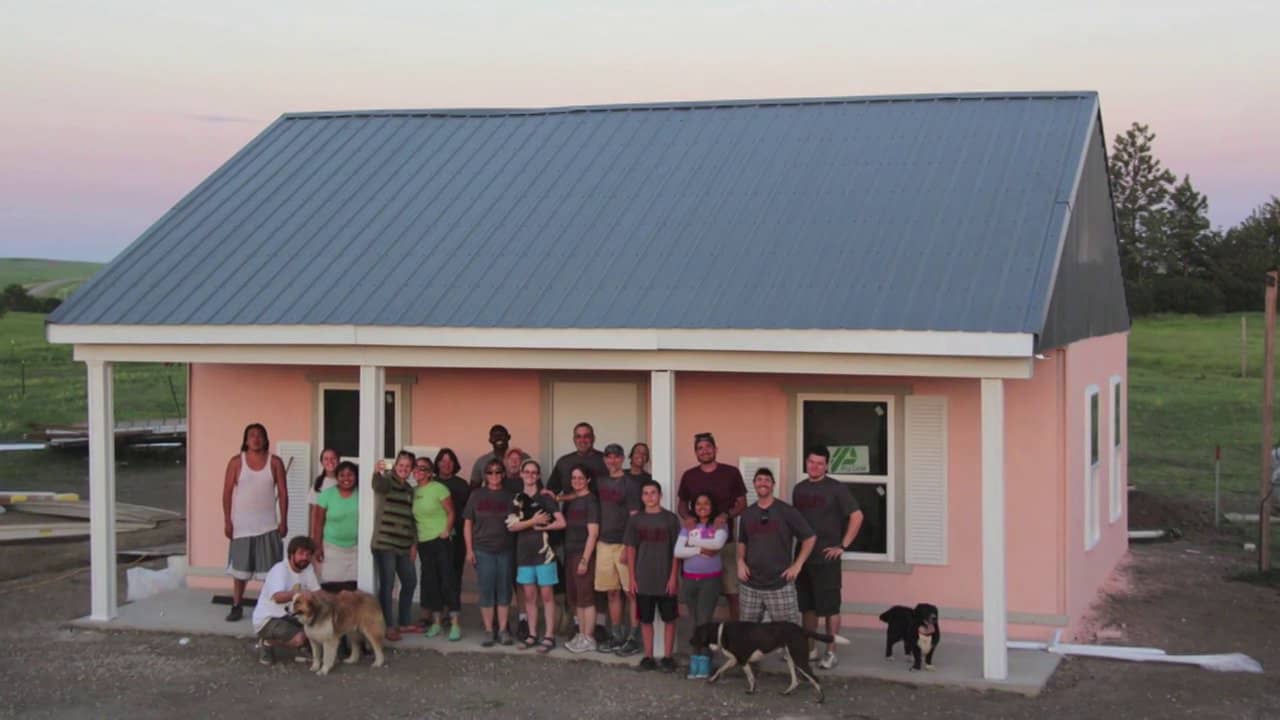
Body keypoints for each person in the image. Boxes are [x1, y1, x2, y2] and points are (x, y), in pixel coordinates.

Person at [792, 445, 863, 669]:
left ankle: (831, 652)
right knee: (807, 607)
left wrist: (843, 545)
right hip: (803, 558)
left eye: (820, 463)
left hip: (827, 559)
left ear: (827, 465)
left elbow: (857, 516)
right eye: (811, 462)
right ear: (806, 462)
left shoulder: (836, 488)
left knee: (830, 608)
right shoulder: (799, 489)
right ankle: (810, 649)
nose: (815, 466)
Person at [222, 422, 289, 622]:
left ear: (265, 439)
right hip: (242, 527)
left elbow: (283, 494)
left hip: (268, 527)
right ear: (245, 440)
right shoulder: (236, 462)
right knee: (240, 571)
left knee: (270, 573)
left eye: (260, 435)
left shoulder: (275, 462)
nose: (256, 439)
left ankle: (270, 607)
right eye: (252, 435)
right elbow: (226, 493)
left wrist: (284, 521)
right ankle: (237, 605)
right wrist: (227, 521)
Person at [676, 432, 747, 620]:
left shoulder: (731, 473)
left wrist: (726, 515)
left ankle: (734, 632)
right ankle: (702, 632)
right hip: (696, 543)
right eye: (700, 448)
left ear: (716, 449)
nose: (704, 451)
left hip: (726, 542)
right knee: (700, 593)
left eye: (708, 447)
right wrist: (687, 517)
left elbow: (742, 503)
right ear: (695, 452)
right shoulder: (689, 476)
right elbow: (682, 505)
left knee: (732, 593)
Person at [737, 468, 816, 626]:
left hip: (780, 584)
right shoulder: (747, 514)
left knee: (788, 632)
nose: (763, 483)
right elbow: (742, 541)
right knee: (747, 633)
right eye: (759, 479)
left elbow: (810, 537)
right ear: (754, 484)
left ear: (773, 484)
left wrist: (797, 565)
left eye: (767, 480)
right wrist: (740, 561)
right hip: (750, 585)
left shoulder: (787, 511)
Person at [624, 479, 682, 672]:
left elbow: (676, 551)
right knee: (645, 620)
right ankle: (648, 656)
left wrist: (673, 577)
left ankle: (668, 657)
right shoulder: (635, 520)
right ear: (641, 497)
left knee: (669, 620)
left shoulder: (670, 519)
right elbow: (631, 549)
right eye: (646, 493)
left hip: (665, 578)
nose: (649, 496)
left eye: (653, 492)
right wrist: (632, 578)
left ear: (660, 495)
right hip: (643, 578)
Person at [510, 459, 565, 654]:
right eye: (527, 472)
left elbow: (562, 522)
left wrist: (544, 527)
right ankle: (532, 634)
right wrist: (533, 521)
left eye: (534, 472)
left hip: (544, 554)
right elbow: (511, 526)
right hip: (524, 554)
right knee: (529, 596)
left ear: (538, 476)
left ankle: (549, 636)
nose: (530, 475)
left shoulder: (545, 498)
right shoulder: (517, 499)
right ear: (521, 474)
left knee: (547, 595)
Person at [593, 443, 642, 655]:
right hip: (604, 543)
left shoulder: (630, 484)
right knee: (611, 592)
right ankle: (617, 635)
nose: (612, 461)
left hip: (623, 544)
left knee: (631, 592)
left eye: (616, 457)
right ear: (604, 459)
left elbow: (634, 518)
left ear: (622, 459)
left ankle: (634, 637)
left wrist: (628, 546)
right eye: (608, 457)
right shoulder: (600, 482)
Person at [673, 492, 728, 679]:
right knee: (694, 621)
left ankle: (704, 661)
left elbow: (717, 544)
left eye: (706, 503)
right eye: (698, 503)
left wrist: (692, 542)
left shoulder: (719, 524)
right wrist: (700, 549)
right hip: (690, 580)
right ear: (693, 507)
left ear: (712, 507)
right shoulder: (689, 525)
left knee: (704, 621)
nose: (702, 507)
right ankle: (695, 658)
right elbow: (678, 551)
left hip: (710, 581)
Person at [463, 458, 517, 647]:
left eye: (498, 471)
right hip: (482, 550)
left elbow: (517, 522)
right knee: (486, 590)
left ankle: (502, 630)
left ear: (503, 474)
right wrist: (469, 550)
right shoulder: (476, 495)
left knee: (504, 591)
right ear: (485, 475)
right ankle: (488, 630)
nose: (494, 475)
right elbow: (468, 523)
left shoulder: (510, 496)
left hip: (505, 550)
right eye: (490, 472)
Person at [371, 451, 419, 641]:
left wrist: (414, 544)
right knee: (388, 584)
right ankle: (387, 625)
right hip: (385, 543)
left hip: (404, 545)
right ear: (396, 465)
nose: (403, 469)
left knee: (410, 581)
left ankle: (404, 622)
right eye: (401, 465)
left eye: (407, 466)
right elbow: (377, 485)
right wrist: (377, 472)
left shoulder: (409, 490)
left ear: (411, 469)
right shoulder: (387, 482)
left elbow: (412, 519)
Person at [252, 535, 321, 665]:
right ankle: (266, 642)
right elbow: (278, 598)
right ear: (291, 554)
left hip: (290, 615)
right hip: (269, 619)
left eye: (308, 554)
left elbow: (317, 593)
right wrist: (299, 593)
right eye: (301, 553)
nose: (305, 558)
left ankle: (304, 647)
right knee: (300, 638)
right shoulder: (279, 569)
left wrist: (339, 599)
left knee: (317, 625)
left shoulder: (307, 568)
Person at [412, 456, 459, 640]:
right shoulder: (414, 491)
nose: (418, 471)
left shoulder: (439, 488)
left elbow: (451, 511)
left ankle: (455, 624)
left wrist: (447, 530)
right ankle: (437, 623)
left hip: (441, 541)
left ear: (430, 472)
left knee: (447, 581)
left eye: (423, 468)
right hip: (424, 543)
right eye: (416, 467)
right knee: (431, 583)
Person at [560, 464, 601, 653]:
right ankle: (581, 634)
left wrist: (585, 559)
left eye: (580, 478)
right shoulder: (574, 500)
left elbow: (593, 533)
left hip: (582, 554)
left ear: (588, 480)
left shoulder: (591, 501)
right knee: (576, 598)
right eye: (574, 478)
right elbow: (570, 496)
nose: (577, 481)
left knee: (586, 598)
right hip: (570, 553)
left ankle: (589, 638)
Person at [312, 460, 360, 592]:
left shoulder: (362, 495)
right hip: (331, 548)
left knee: (352, 589)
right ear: (337, 477)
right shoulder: (327, 495)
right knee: (331, 588)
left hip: (355, 550)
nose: (346, 478)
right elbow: (318, 523)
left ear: (356, 476)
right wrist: (317, 547)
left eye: (350, 475)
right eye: (342, 475)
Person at [434, 447, 469, 626]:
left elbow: (468, 513)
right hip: (435, 536)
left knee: (454, 575)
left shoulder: (462, 485)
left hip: (457, 537)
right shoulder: (431, 483)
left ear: (455, 464)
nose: (446, 464)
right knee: (437, 575)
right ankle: (437, 612)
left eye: (450, 461)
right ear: (437, 463)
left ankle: (452, 612)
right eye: (443, 461)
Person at [547, 422, 608, 494]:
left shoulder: (607, 461)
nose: (582, 440)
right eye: (578, 437)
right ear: (574, 439)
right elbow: (550, 493)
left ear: (593, 438)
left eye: (586, 436)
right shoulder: (563, 462)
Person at [307, 447, 340, 543]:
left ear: (338, 460)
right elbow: (314, 511)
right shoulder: (319, 482)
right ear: (321, 462)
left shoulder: (345, 480)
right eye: (326, 459)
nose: (330, 461)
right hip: (324, 531)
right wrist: (313, 534)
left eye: (333, 458)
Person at [625, 442, 652, 510]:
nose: (641, 455)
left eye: (644, 453)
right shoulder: (620, 475)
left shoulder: (650, 479)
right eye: (638, 452)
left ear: (647, 459)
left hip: (641, 515)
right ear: (631, 455)